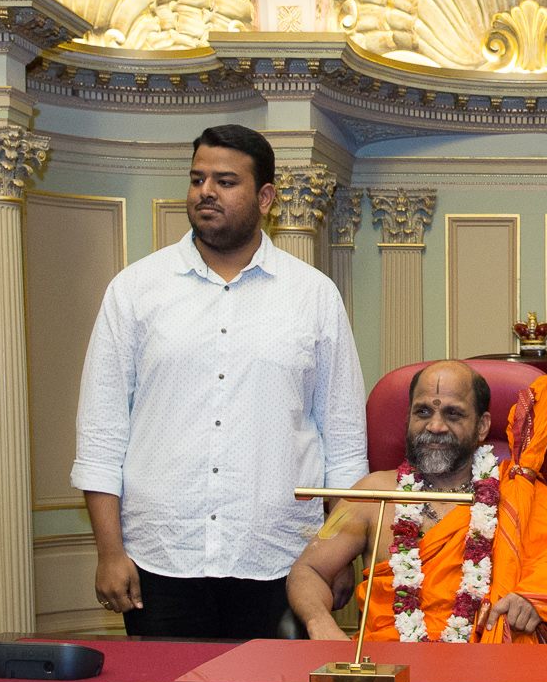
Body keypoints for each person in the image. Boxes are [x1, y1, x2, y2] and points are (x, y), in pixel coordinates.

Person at [72, 124, 367, 641]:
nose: (206, 191)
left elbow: (343, 442)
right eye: (197, 179)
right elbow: (101, 432)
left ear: (266, 197)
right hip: (161, 558)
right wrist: (110, 551)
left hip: (282, 561)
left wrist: (338, 555)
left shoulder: (314, 296)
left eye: (225, 181)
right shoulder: (135, 290)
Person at [288, 360, 547, 644]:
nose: (435, 426)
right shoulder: (372, 495)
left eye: (453, 414)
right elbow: (308, 571)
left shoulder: (519, 496)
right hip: (389, 680)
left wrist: (538, 599)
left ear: (482, 426)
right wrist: (321, 624)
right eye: (423, 412)